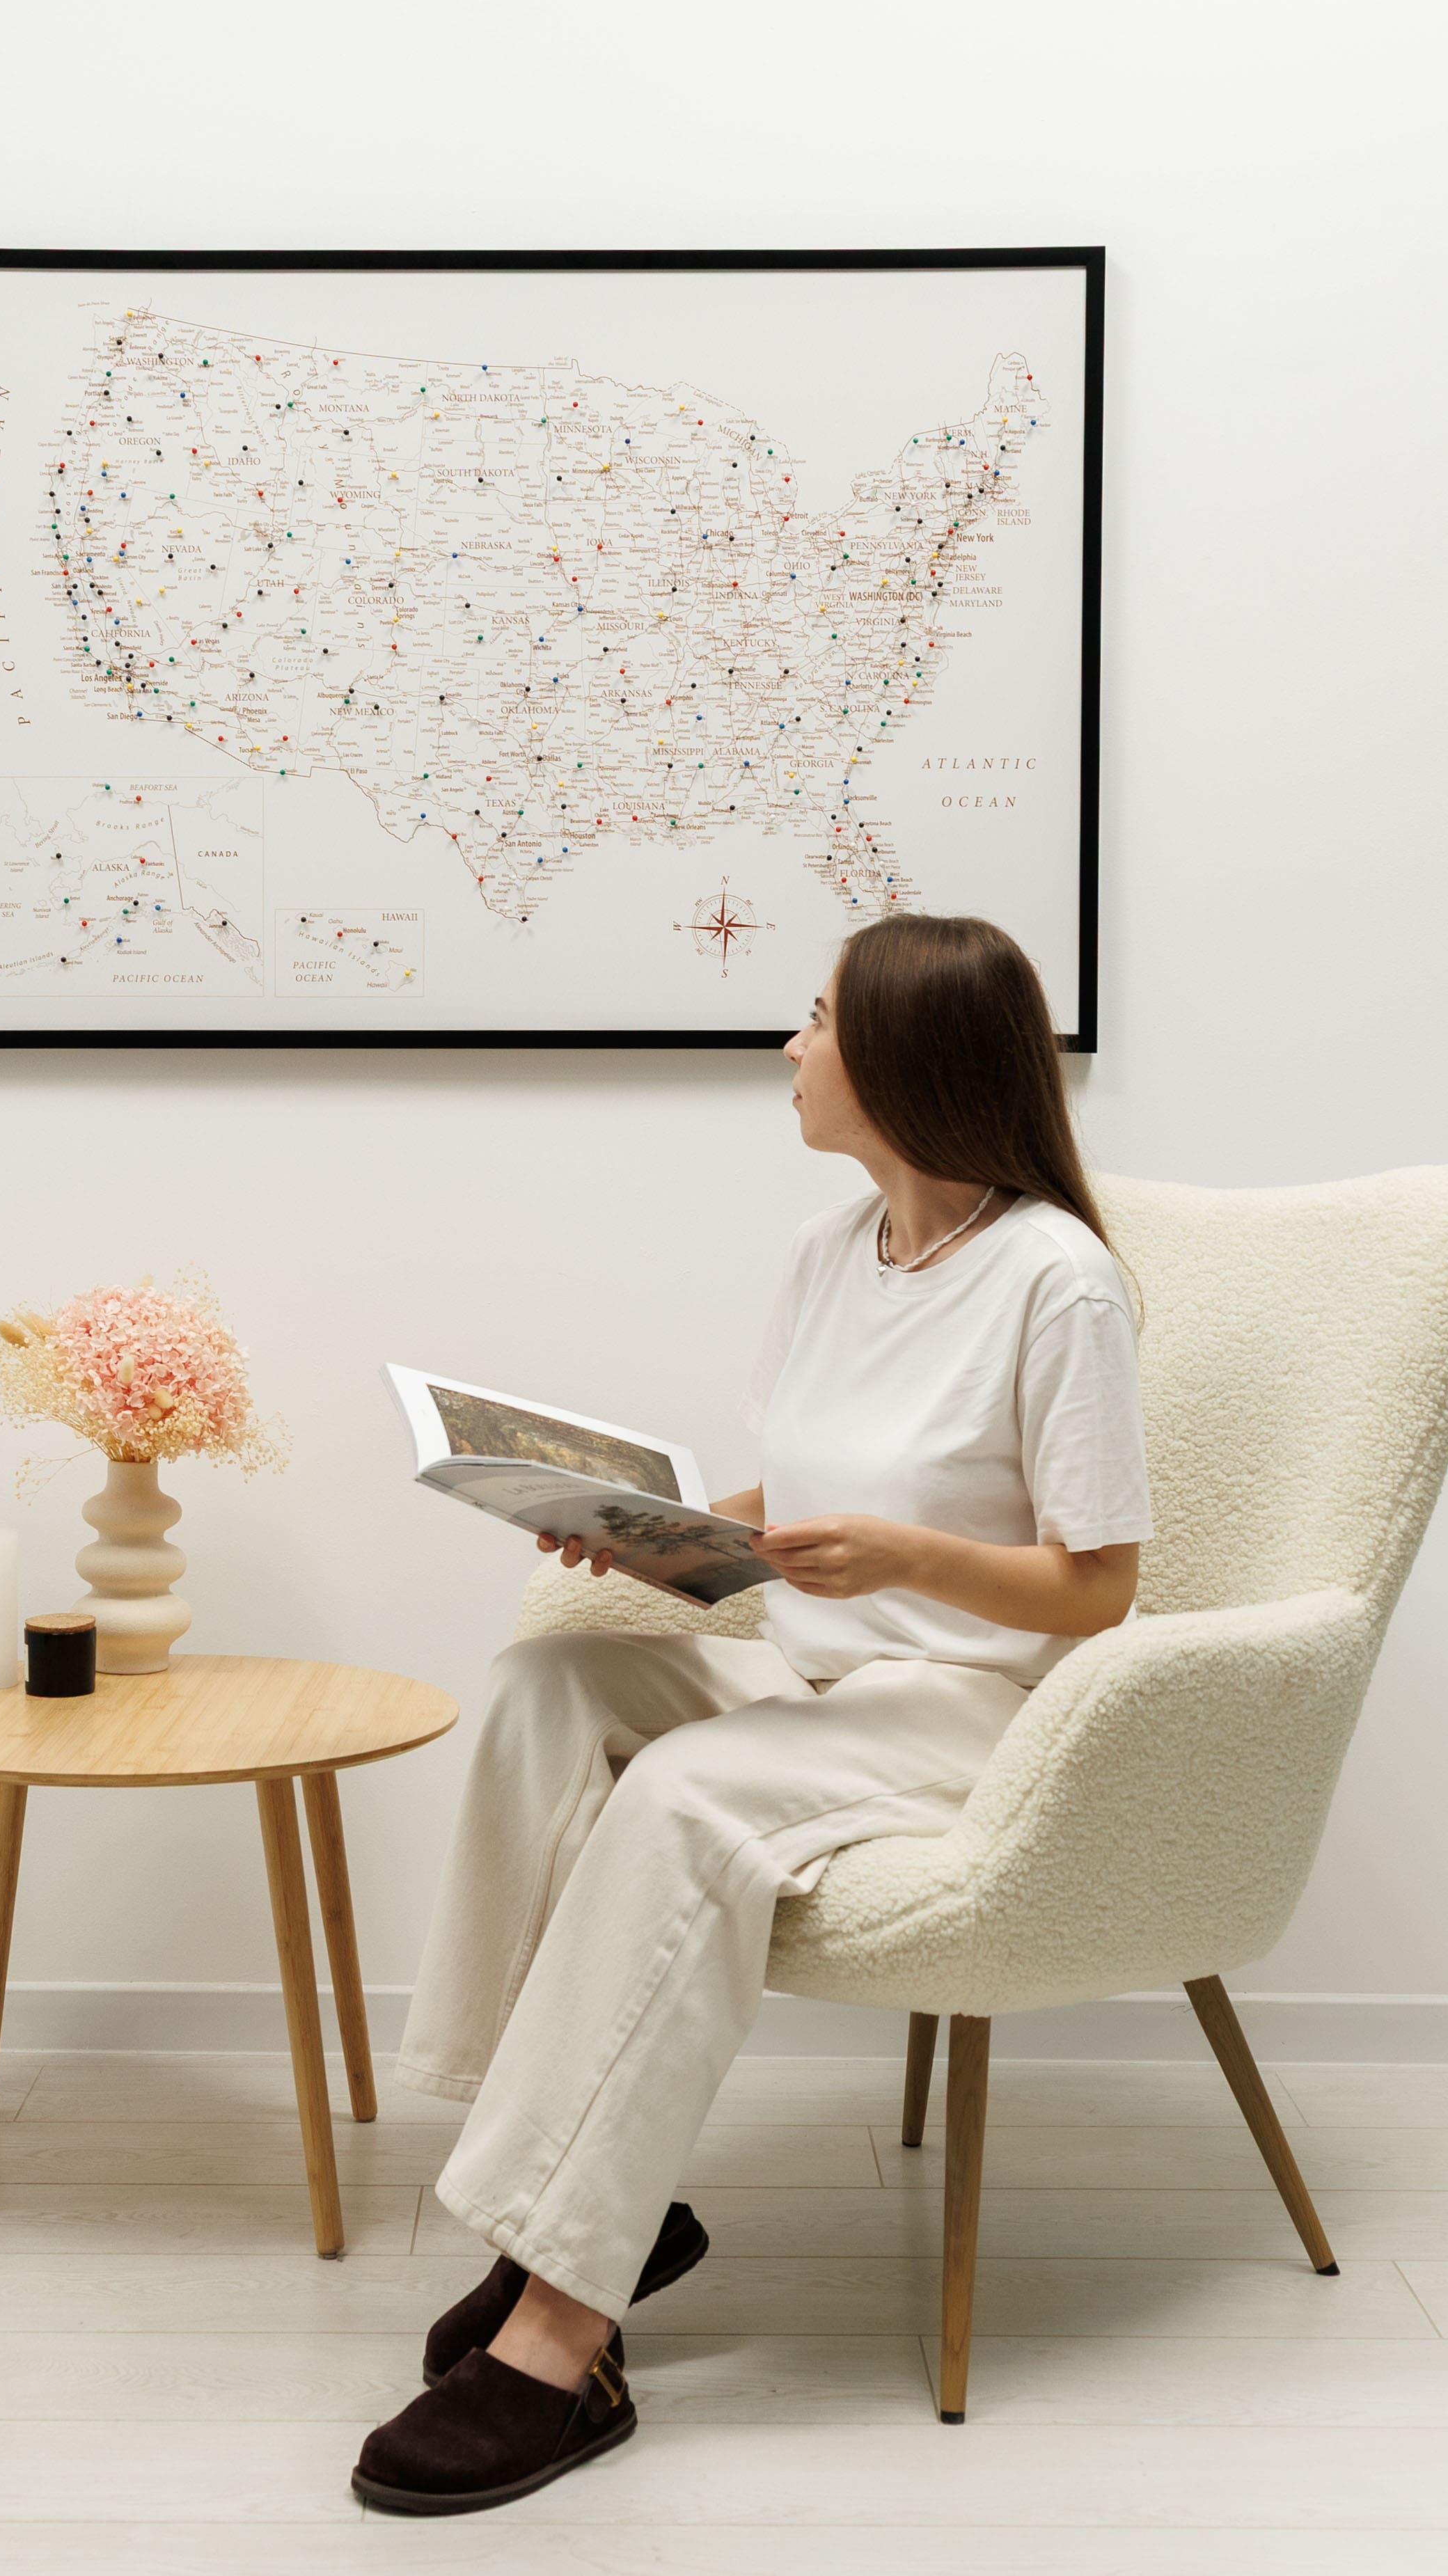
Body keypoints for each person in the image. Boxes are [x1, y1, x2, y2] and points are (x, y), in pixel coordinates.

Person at [352, 912, 1152, 2515]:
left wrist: (912, 1558)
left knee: (686, 1796)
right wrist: (643, 1526)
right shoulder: (825, 1250)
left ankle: (564, 2331)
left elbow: (1097, 1586)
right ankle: (583, 2208)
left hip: (958, 1697)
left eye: (811, 1020)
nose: (786, 1048)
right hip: (798, 1653)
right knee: (543, 1686)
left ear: (902, 1054)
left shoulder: (1057, 1280)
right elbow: (800, 1495)